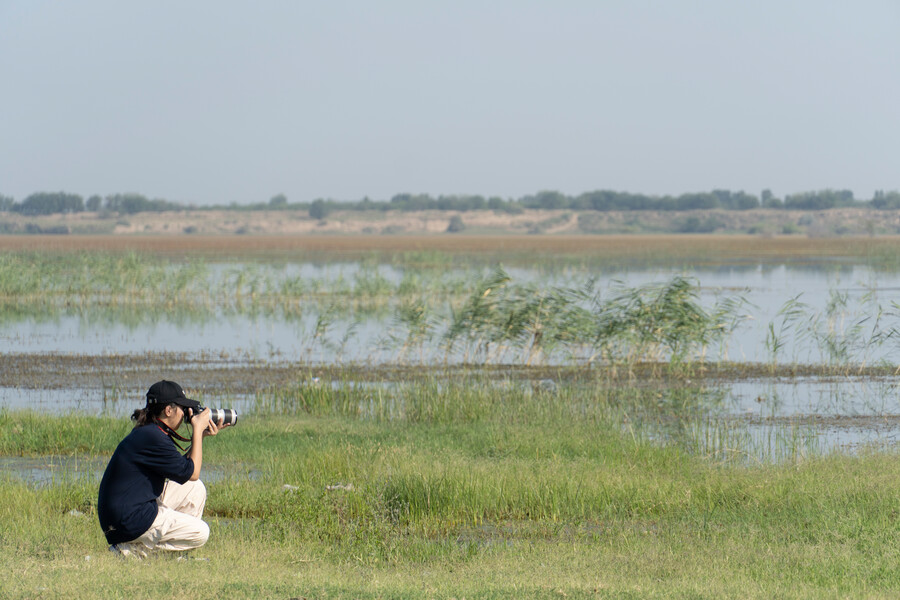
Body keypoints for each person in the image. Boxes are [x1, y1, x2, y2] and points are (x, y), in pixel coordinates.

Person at [97, 380, 229, 557]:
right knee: (201, 532)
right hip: (129, 521)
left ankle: (173, 556)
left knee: (194, 489)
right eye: (182, 409)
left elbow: (185, 470)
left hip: (128, 513)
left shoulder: (149, 432)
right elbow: (193, 472)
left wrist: (201, 437)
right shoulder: (154, 437)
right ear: (168, 410)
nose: (185, 416)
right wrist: (197, 430)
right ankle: (131, 552)